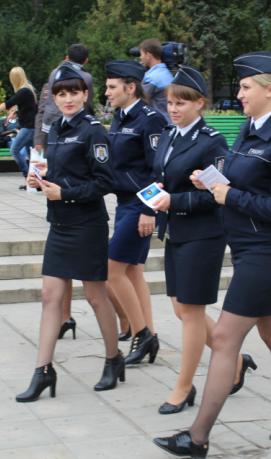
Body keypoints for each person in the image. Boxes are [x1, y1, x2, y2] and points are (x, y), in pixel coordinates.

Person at [154, 52, 271, 459]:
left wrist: (228, 194)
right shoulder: (251, 129)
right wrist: (210, 180)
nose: (240, 92)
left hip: (269, 252)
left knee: (228, 338)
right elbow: (242, 179)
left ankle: (197, 437)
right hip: (249, 248)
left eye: (247, 87)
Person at [149, 66, 252, 416]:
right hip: (175, 231)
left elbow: (218, 195)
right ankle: (235, 358)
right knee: (181, 308)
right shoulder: (168, 134)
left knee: (191, 312)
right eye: (169, 103)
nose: (174, 109)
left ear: (199, 103)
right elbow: (160, 174)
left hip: (203, 234)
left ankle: (184, 386)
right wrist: (156, 193)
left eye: (181, 103)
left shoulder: (212, 142)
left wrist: (174, 200)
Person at [17, 65, 122, 402]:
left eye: (73, 92)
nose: (67, 98)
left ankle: (112, 358)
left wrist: (65, 193)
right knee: (50, 296)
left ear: (85, 94)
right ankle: (43, 371)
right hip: (59, 224)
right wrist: (40, 178)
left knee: (95, 297)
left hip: (87, 224)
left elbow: (106, 182)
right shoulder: (55, 129)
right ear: (54, 97)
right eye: (61, 93)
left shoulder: (93, 131)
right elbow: (60, 171)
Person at [102, 60, 167, 367]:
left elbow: (159, 170)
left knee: (111, 269)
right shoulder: (119, 117)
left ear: (131, 87)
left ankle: (142, 334)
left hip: (140, 207)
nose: (106, 92)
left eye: (112, 86)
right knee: (132, 272)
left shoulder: (150, 119)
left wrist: (148, 210)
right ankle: (149, 335)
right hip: (124, 203)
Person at [33, 44, 95, 155]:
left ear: (67, 57)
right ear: (86, 60)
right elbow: (87, 103)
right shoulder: (86, 77)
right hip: (74, 126)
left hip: (50, 124)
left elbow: (43, 105)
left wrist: (38, 137)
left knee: (51, 163)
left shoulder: (54, 73)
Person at [0, 67, 38, 188]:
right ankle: (34, 179)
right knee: (32, 154)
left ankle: (27, 177)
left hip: (28, 127)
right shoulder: (27, 90)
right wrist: (15, 113)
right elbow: (29, 109)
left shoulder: (23, 91)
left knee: (14, 150)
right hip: (30, 126)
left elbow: (8, 103)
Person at [139, 38, 174, 123]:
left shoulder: (152, 78)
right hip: (170, 122)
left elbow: (136, 100)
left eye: (141, 54)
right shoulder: (166, 72)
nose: (140, 57)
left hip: (160, 125)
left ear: (148, 55)